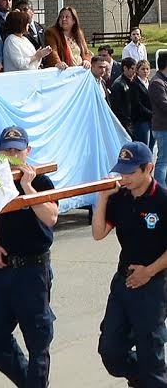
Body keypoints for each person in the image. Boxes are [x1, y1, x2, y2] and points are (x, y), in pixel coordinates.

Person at [0, 126, 59, 388]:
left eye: (17, 150)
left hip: (33, 270)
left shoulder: (41, 181)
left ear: (28, 151)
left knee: (38, 342)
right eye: (7, 150)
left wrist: (27, 186)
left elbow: (50, 217)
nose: (12, 155)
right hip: (2, 268)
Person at [93, 142, 167, 388]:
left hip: (154, 285)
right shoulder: (120, 198)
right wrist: (102, 198)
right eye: (122, 171)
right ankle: (144, 379)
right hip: (123, 282)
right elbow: (98, 233)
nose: (124, 177)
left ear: (149, 168)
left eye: (131, 172)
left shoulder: (162, 200)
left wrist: (150, 271)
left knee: (151, 354)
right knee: (110, 351)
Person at [149, 51, 167, 187]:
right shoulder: (157, 82)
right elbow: (164, 105)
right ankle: (159, 191)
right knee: (163, 161)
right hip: (162, 127)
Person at [110, 57, 137, 136]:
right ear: (125, 68)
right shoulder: (119, 84)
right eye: (132, 68)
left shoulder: (132, 81)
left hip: (132, 120)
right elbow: (117, 108)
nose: (134, 71)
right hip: (125, 123)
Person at [132, 59, 154, 150]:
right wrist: (152, 114)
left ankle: (149, 164)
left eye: (147, 69)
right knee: (144, 147)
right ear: (137, 70)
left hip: (152, 120)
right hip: (141, 120)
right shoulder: (134, 84)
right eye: (142, 69)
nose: (145, 71)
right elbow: (137, 104)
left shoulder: (151, 82)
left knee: (151, 146)